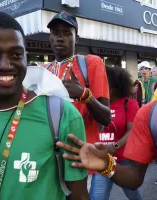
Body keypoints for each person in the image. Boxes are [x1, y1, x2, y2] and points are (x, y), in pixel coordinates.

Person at [0, 12, 89, 200]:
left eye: (16, 54)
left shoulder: (62, 115)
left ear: (26, 57)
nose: (5, 65)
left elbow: (79, 196)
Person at [45, 10, 111, 187]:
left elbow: (106, 118)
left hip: (80, 157)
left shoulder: (91, 63)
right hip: (49, 160)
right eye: (55, 33)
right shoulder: (44, 70)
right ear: (49, 37)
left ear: (77, 38)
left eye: (67, 33)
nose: (60, 38)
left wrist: (84, 95)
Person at [56, 100, 157, 192]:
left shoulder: (131, 104)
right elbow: (135, 177)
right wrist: (106, 164)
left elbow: (129, 130)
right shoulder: (149, 114)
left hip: (123, 156)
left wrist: (114, 147)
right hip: (109, 158)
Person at [90, 66, 141, 200]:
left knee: (134, 195)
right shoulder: (95, 104)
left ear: (117, 88)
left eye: (106, 85)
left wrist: (114, 147)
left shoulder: (129, 104)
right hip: (101, 160)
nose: (101, 88)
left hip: (123, 161)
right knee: (97, 197)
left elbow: (132, 130)